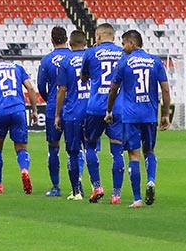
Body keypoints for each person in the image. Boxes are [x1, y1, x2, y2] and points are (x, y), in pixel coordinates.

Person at [106, 30, 171, 209]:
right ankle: (150, 180)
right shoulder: (155, 61)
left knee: (134, 154)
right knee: (149, 150)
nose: (122, 47)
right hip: (150, 114)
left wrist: (109, 110)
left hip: (130, 115)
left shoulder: (124, 62)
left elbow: (113, 90)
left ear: (132, 43)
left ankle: (137, 199)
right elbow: (165, 90)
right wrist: (165, 114)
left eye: (124, 43)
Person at [80, 23, 126, 204]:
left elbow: (84, 77)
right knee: (117, 151)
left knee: (90, 146)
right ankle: (116, 194)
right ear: (113, 37)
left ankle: (97, 186)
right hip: (118, 107)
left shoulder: (90, 53)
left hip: (96, 107)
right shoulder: (123, 53)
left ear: (98, 36)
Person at [0, 55, 39, 194]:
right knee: (21, 147)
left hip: (1, 111)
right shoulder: (17, 67)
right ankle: (24, 170)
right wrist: (35, 110)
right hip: (19, 109)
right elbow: (30, 88)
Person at [54, 30, 91, 201]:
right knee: (91, 149)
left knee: (73, 153)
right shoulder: (92, 57)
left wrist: (57, 114)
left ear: (70, 44)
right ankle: (96, 186)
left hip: (73, 112)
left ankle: (77, 191)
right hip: (91, 111)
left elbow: (62, 90)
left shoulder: (65, 61)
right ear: (85, 42)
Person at [37, 26, 71, 196]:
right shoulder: (75, 57)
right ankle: (76, 184)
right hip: (74, 107)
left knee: (53, 147)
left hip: (53, 108)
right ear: (66, 39)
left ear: (51, 39)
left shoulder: (46, 60)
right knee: (76, 148)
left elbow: (40, 86)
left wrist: (51, 98)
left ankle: (56, 187)